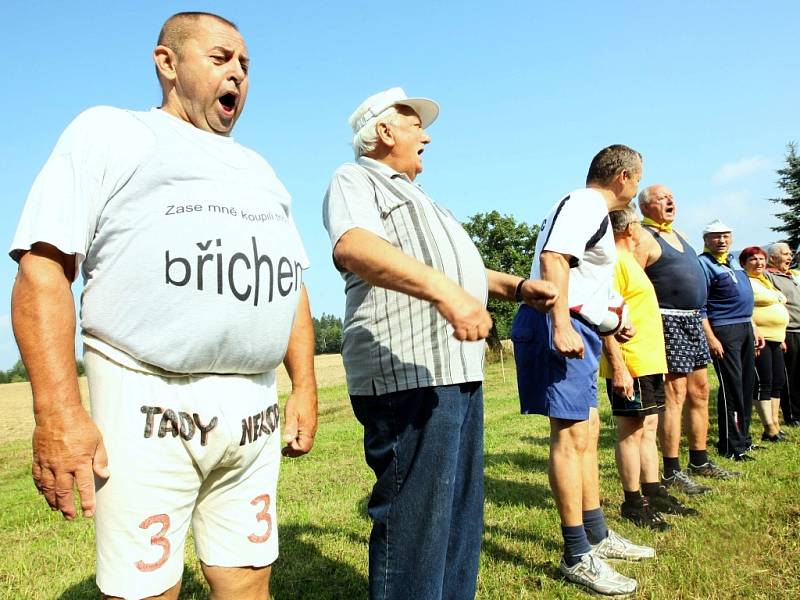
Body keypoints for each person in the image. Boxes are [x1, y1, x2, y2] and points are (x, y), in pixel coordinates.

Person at [10, 12, 318, 600]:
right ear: (167, 63)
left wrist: (302, 384)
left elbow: (290, 282)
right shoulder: (111, 132)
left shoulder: (260, 170)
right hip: (147, 399)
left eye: (246, 65)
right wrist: (57, 413)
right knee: (145, 590)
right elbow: (43, 267)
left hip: (251, 407)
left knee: (251, 576)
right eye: (222, 58)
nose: (238, 75)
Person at [322, 87, 557, 600]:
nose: (425, 135)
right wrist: (447, 293)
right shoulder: (355, 178)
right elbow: (354, 246)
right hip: (406, 372)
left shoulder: (423, 198)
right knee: (417, 521)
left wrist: (516, 287)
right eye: (414, 125)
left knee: (456, 515)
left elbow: (460, 269)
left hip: (454, 370)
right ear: (384, 132)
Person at [512, 145, 653, 598]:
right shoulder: (586, 203)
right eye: (638, 179)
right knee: (571, 438)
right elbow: (555, 259)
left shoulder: (590, 212)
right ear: (624, 179)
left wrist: (613, 323)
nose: (636, 188)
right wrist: (560, 325)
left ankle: (597, 533)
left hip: (578, 326)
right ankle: (576, 554)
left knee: (587, 433)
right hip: (560, 324)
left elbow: (591, 285)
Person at [599, 205, 697, 531]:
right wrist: (620, 367)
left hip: (649, 361)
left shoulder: (629, 261)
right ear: (630, 229)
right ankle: (632, 502)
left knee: (649, 428)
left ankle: (654, 492)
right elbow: (606, 318)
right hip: (632, 363)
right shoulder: (613, 262)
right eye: (639, 225)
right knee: (631, 432)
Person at [636, 185, 736, 495]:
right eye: (661, 198)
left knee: (701, 390)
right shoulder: (642, 237)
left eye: (672, 197)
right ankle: (671, 469)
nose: (670, 201)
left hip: (693, 320)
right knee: (675, 393)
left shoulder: (680, 235)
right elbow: (633, 280)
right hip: (668, 321)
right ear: (645, 206)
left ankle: (700, 459)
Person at [698, 220, 762, 461]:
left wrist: (753, 327)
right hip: (724, 330)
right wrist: (711, 338)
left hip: (745, 326)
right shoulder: (703, 264)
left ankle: (744, 439)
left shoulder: (734, 260)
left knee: (747, 385)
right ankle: (731, 445)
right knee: (732, 387)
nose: (721, 240)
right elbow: (701, 307)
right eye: (715, 237)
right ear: (706, 240)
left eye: (725, 236)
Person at [741, 246, 790, 441]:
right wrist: (754, 330)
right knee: (764, 382)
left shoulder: (765, 282)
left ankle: (775, 424)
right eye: (753, 259)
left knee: (778, 381)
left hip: (776, 338)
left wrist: (782, 336)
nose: (758, 263)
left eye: (761, 259)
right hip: (760, 339)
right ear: (744, 263)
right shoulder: (745, 282)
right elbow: (746, 309)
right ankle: (769, 427)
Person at [766, 242, 800, 426]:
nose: (790, 257)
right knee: (791, 375)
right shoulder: (769, 276)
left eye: (790, 254)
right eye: (785, 254)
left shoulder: (794, 275)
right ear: (772, 258)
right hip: (789, 331)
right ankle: (793, 415)